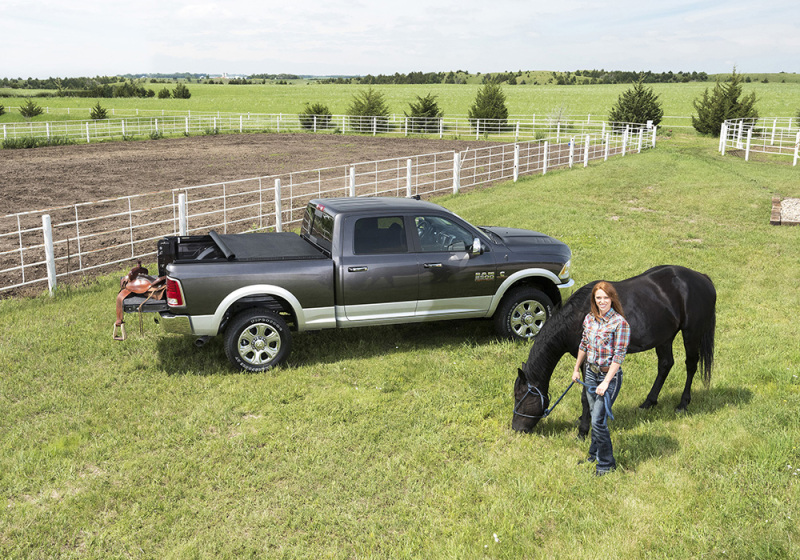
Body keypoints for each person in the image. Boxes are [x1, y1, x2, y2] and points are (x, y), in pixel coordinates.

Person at [572, 281, 630, 476]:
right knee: (593, 413)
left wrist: (606, 382)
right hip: (590, 372)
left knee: (598, 421)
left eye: (606, 297)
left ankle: (606, 464)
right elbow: (584, 345)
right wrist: (576, 369)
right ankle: (594, 454)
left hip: (609, 376)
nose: (602, 301)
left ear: (612, 299)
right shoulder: (589, 319)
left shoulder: (620, 323)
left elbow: (619, 356)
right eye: (599, 298)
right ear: (594, 300)